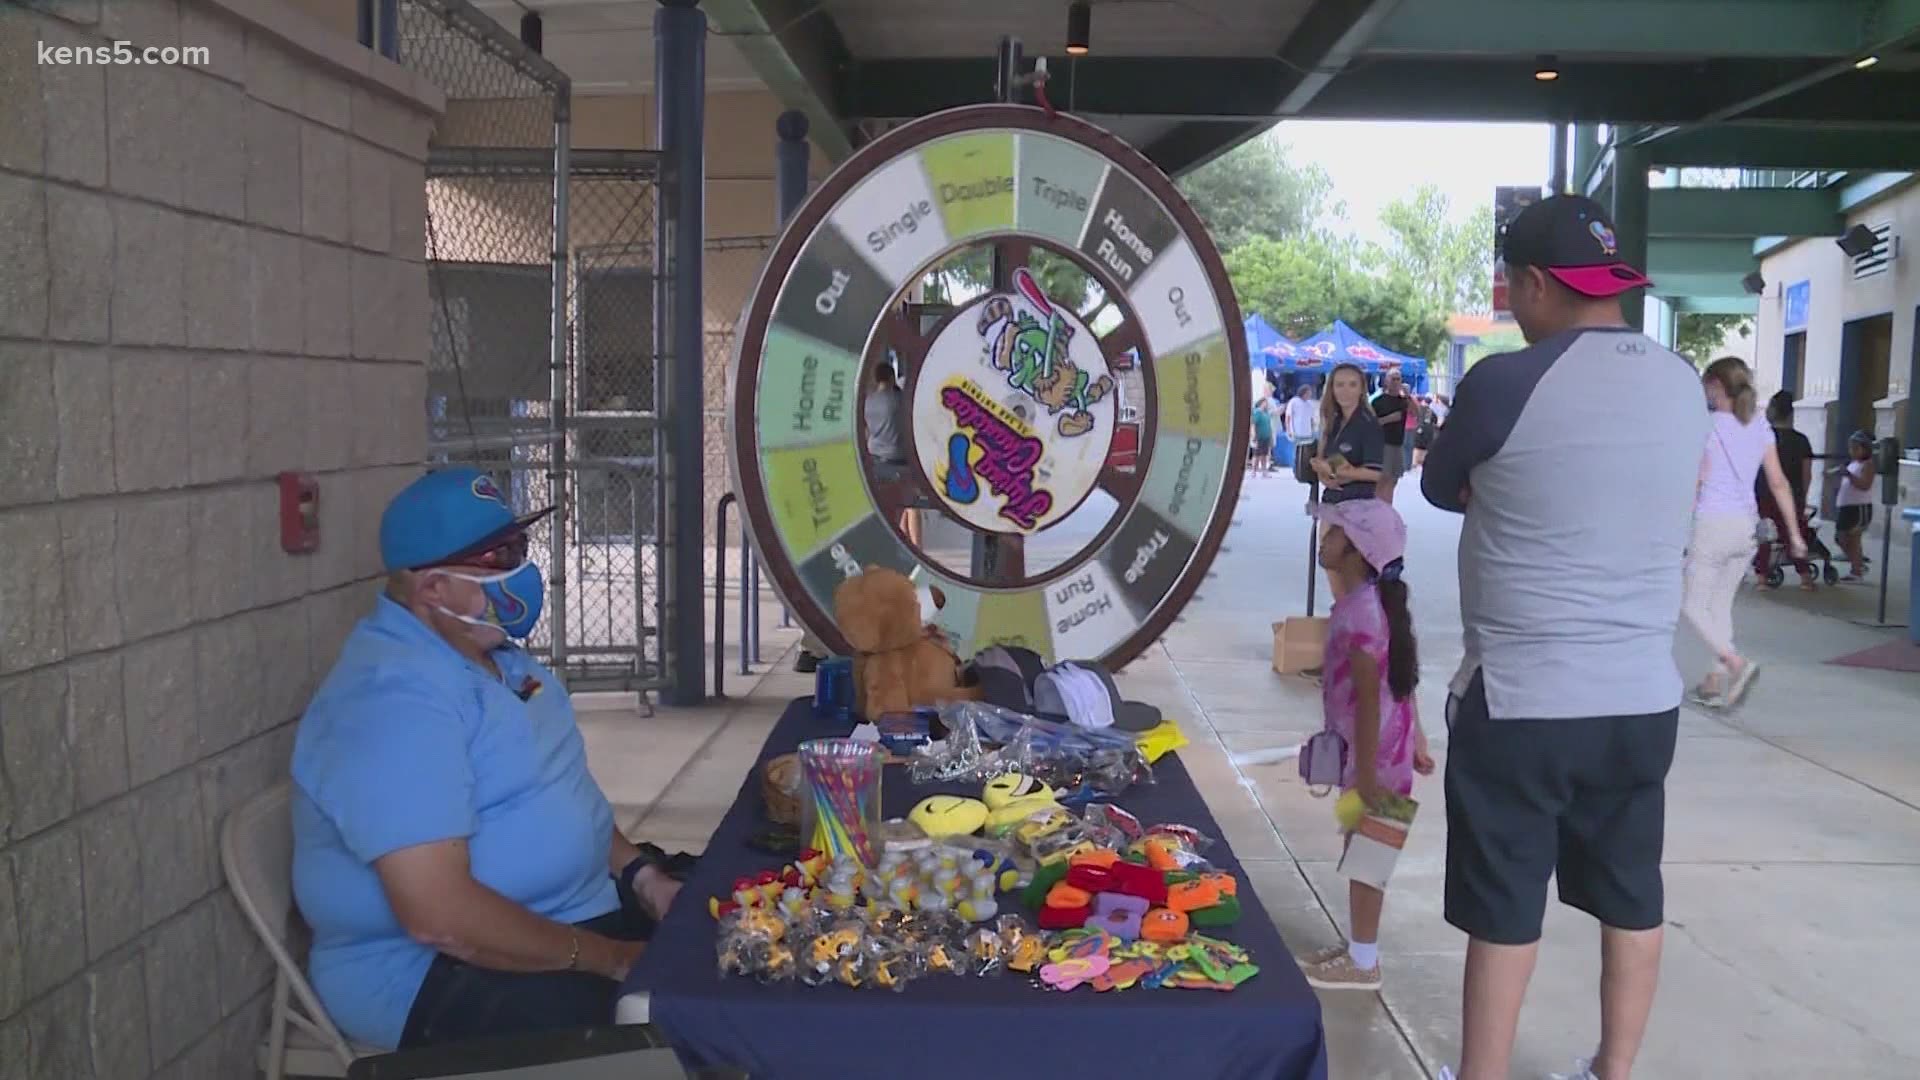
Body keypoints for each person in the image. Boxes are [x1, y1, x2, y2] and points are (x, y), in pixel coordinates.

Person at [1420, 195, 1710, 1080]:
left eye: (1513, 289)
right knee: (1632, 893)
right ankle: (1613, 1071)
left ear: (1538, 284)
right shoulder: (1682, 381)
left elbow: (1440, 486)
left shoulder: (1504, 382)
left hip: (1523, 699)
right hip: (1642, 700)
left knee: (1505, 905)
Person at [292, 468, 686, 1051]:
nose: (523, 570)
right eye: (500, 556)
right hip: (437, 974)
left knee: (743, 927)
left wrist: (643, 876)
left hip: (573, 920)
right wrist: (613, 960)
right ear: (432, 590)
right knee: (674, 1031)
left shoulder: (499, 659)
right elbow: (440, 916)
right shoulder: (390, 703)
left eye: (521, 546)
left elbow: (562, 795)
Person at [1294, 498, 1435, 992]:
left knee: (1369, 858)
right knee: (1361, 851)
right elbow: (1402, 680)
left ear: (1357, 551)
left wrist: (1369, 775)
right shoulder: (1369, 606)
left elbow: (1373, 701)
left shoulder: (1361, 616)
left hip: (1375, 760)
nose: (1324, 540)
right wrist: (1416, 735)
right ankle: (1357, 946)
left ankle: (1364, 961)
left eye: (1333, 534)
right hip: (1378, 754)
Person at [1682, 358, 1806, 707]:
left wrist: (1679, 524)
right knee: (1720, 605)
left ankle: (1736, 664)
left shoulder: (1705, 425)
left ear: (1717, 386)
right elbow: (1779, 483)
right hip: (1747, 528)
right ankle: (1712, 680)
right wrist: (1795, 534)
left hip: (1712, 523)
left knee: (1692, 605)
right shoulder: (1760, 427)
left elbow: (1697, 480)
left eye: (1707, 386)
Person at [1752, 390, 1816, 589]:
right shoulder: (1801, 441)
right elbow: (1807, 473)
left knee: (1764, 535)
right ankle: (1805, 578)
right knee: (1794, 535)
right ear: (1791, 414)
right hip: (1791, 496)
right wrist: (1803, 498)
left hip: (1763, 493)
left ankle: (1761, 578)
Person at [1313, 363, 1383, 505]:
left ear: (1361, 389)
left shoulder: (1369, 424)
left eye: (1352, 385)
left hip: (1360, 505)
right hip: (1332, 501)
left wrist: (1338, 471)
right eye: (1339, 385)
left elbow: (1378, 474)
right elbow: (1326, 460)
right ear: (1331, 389)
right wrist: (1323, 474)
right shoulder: (1333, 422)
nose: (1345, 391)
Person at [1834, 429, 1879, 581]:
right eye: (1850, 448)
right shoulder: (1853, 463)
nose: (1851, 451)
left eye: (1855, 448)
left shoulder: (1868, 465)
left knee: (1852, 539)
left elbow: (1865, 485)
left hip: (1859, 508)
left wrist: (1848, 475)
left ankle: (1856, 570)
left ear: (1865, 449)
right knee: (1841, 538)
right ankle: (1857, 564)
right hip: (1847, 507)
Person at [1370, 368, 1411, 503]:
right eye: (1393, 378)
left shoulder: (1403, 401)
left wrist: (1408, 395)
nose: (1396, 382)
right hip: (1383, 444)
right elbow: (1370, 423)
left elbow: (1418, 414)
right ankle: (1376, 509)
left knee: (1394, 479)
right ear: (1386, 381)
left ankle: (1387, 509)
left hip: (1398, 444)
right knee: (1382, 478)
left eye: (1398, 379)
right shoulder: (1378, 401)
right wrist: (1388, 419)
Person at [1284, 382, 1320, 459]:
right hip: (1296, 432)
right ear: (1303, 393)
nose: (1310, 395)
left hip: (1307, 433)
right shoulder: (1294, 401)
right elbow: (1288, 417)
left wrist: (1313, 429)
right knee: (1297, 451)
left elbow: (1311, 419)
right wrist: (1288, 430)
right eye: (1308, 393)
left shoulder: (1310, 404)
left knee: (1306, 452)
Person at [1250, 396, 1276, 477]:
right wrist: (1253, 434)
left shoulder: (1266, 413)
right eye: (1265, 403)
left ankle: (1264, 471)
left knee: (1264, 455)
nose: (1267, 404)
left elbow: (1269, 425)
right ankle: (1253, 471)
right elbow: (1253, 424)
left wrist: (1271, 437)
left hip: (1266, 436)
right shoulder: (1257, 412)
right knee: (1256, 454)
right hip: (1259, 436)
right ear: (1261, 403)